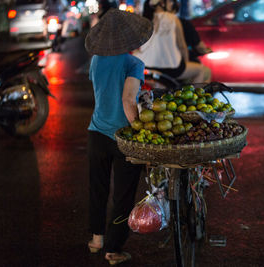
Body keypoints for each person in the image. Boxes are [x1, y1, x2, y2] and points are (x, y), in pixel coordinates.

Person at [84, 9, 153, 265]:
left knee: (97, 189)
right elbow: (127, 100)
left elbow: (103, 92)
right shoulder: (133, 63)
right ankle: (113, 250)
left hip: (96, 133)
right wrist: (139, 131)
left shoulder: (95, 60)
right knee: (123, 196)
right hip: (122, 138)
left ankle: (96, 240)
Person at [133, 0, 211, 83]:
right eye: (169, 1)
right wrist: (186, 62)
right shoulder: (173, 19)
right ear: (161, 4)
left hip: (145, 66)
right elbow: (182, 46)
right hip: (170, 68)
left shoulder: (143, 20)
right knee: (200, 70)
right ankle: (192, 95)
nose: (172, 4)